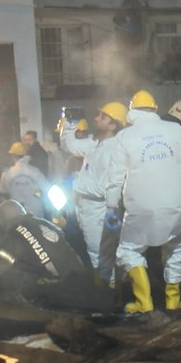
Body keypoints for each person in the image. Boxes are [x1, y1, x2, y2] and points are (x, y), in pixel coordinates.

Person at [106, 89, 181, 314]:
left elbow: (115, 177)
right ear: (155, 109)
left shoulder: (125, 137)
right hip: (177, 207)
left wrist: (111, 207)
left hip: (140, 210)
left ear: (132, 111)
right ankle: (173, 300)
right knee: (177, 248)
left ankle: (144, 302)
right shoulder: (174, 130)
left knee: (128, 251)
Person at [0, 200, 113, 313]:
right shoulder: (44, 223)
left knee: (22, 287)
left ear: (3, 222)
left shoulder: (14, 234)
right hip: (82, 280)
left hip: (61, 289)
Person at [60, 102, 129, 287]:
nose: (96, 118)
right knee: (97, 254)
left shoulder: (113, 150)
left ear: (113, 125)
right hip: (87, 208)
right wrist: (69, 123)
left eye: (102, 117)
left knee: (100, 255)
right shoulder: (96, 143)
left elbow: (102, 189)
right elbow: (69, 145)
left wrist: (75, 184)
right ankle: (106, 290)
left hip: (98, 212)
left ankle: (109, 294)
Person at [0, 142, 49, 218]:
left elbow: (3, 190)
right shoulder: (35, 171)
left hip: (18, 214)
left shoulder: (8, 173)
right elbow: (46, 188)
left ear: (13, 156)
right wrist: (36, 194)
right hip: (36, 212)